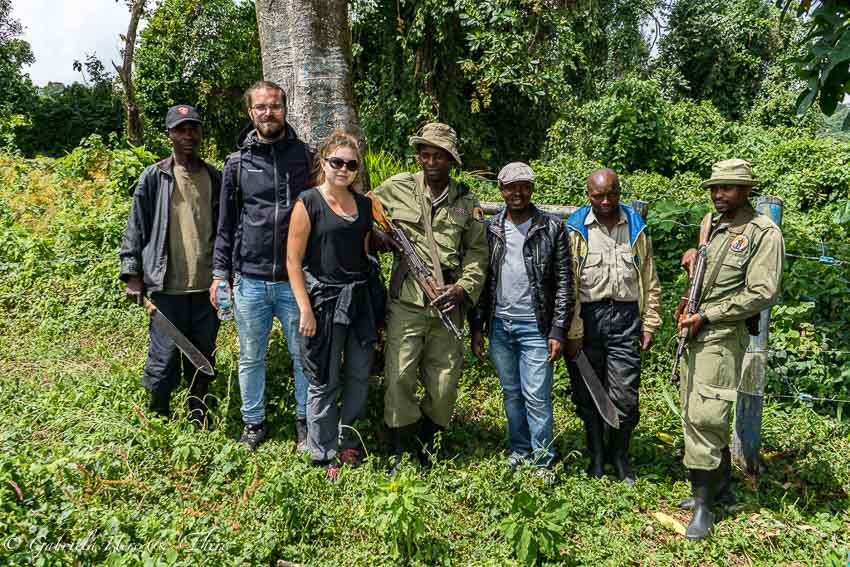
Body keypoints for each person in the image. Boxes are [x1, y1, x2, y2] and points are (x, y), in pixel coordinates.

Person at [370, 123, 488, 470]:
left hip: (448, 303)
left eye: (439, 155)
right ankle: (399, 447)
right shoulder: (398, 187)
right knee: (399, 376)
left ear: (451, 160)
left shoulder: (466, 202)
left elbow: (478, 253)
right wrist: (377, 236)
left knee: (444, 382)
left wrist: (463, 288)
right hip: (407, 301)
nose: (431, 161)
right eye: (426, 154)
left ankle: (428, 442)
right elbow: (360, 209)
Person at [676, 159, 783, 540]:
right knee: (695, 408)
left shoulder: (762, 233)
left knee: (706, 414)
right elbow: (710, 271)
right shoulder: (713, 223)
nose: (718, 194)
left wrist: (708, 314)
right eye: (714, 188)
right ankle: (719, 489)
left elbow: (762, 292)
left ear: (747, 190)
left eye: (728, 187)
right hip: (696, 330)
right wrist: (693, 261)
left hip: (722, 334)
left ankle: (703, 506)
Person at [211, 80, 313, 451]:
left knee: (302, 356)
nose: (268, 113)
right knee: (251, 357)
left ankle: (305, 421)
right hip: (250, 280)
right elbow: (225, 224)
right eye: (261, 107)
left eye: (275, 106)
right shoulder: (237, 163)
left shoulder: (306, 158)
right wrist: (220, 275)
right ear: (250, 112)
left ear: (285, 109)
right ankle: (253, 422)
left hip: (294, 281)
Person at [287, 130, 384, 482]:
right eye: (337, 162)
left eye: (351, 165)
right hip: (323, 302)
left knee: (358, 374)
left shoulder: (363, 206)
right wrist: (305, 308)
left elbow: (363, 252)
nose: (344, 169)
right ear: (324, 162)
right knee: (324, 378)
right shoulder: (309, 202)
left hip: (358, 300)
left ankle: (348, 441)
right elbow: (293, 261)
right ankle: (323, 450)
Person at [470, 162, 574, 483]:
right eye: (511, 187)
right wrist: (477, 328)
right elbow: (483, 282)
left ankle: (543, 461)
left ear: (532, 189)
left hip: (536, 327)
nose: (518, 193)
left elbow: (564, 283)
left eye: (524, 186)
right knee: (511, 393)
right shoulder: (491, 229)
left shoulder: (551, 227)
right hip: (500, 325)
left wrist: (558, 329)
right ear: (501, 190)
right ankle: (519, 450)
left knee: (537, 396)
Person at [119, 105, 221, 427]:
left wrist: (226, 275)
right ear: (170, 135)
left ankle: (198, 416)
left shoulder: (215, 177)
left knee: (202, 355)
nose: (188, 135)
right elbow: (136, 227)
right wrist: (132, 275)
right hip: (166, 289)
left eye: (193, 129)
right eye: (181, 129)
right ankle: (158, 419)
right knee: (163, 360)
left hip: (207, 290)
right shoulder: (154, 177)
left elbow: (226, 230)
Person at [564, 168, 662, 485]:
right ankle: (596, 455)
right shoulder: (575, 228)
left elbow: (649, 278)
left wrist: (650, 322)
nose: (606, 201)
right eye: (598, 196)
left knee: (625, 395)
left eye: (612, 194)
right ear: (588, 195)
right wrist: (572, 330)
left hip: (625, 319)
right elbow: (567, 284)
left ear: (619, 191)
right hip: (586, 319)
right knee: (587, 392)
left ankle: (620, 456)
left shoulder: (636, 227)